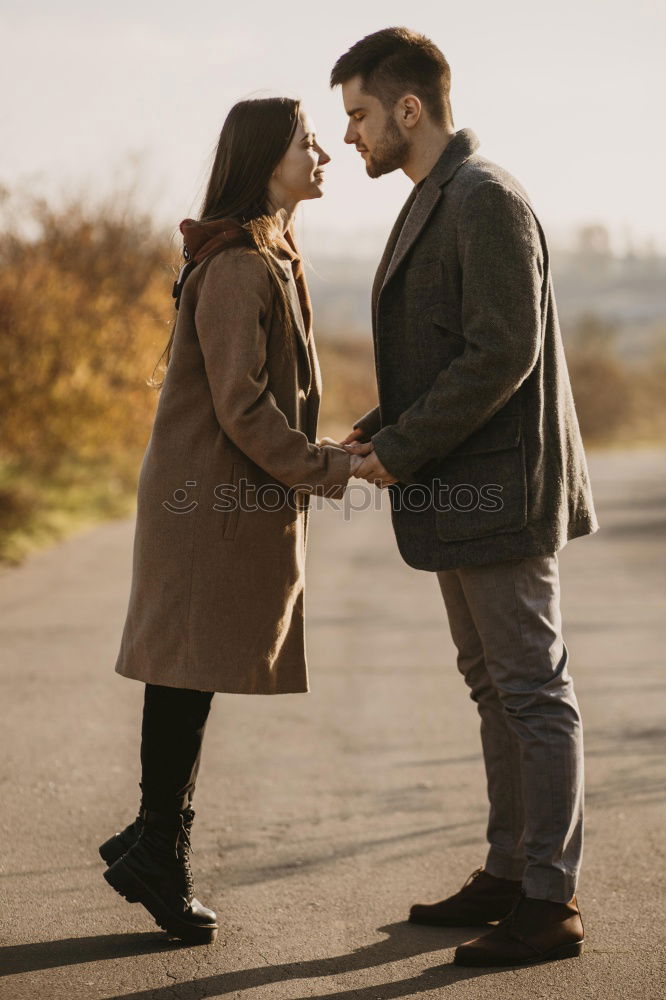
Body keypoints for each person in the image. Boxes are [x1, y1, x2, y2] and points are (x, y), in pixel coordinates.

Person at [331, 28, 599, 968]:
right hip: (460, 487)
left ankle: (551, 902)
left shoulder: (485, 197)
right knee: (495, 685)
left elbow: (501, 351)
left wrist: (400, 450)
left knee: (531, 687)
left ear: (411, 109)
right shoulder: (432, 199)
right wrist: (379, 426)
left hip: (499, 489)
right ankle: (508, 871)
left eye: (359, 114)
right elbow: (447, 347)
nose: (351, 135)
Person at [100, 96, 362, 945]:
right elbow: (243, 408)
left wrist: (327, 449)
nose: (322, 154)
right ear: (265, 162)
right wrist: (328, 468)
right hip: (204, 502)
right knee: (184, 668)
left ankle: (151, 838)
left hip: (224, 499)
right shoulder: (243, 265)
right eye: (305, 143)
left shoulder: (271, 252)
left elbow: (262, 401)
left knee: (191, 667)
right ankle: (159, 855)